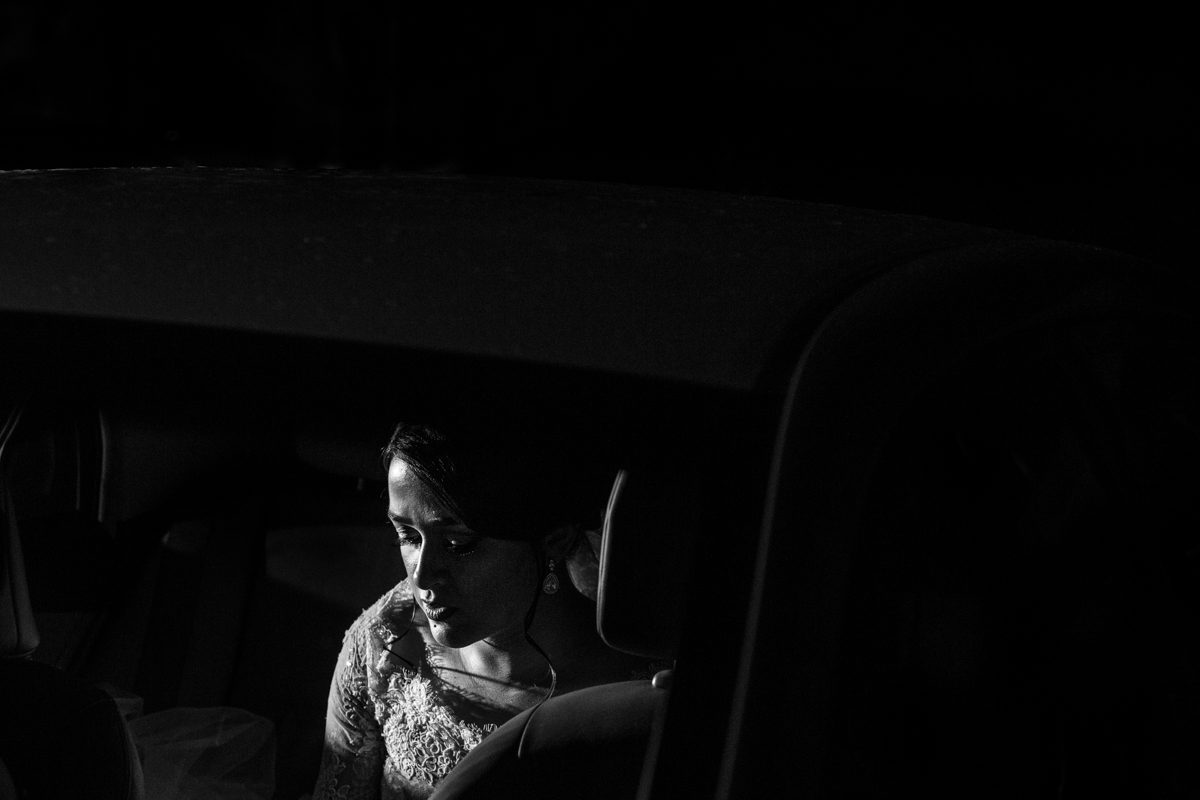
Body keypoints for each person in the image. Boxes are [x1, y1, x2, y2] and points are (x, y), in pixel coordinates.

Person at [312, 423, 653, 800]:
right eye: (407, 536)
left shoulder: (642, 689)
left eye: (458, 543)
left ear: (555, 538)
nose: (422, 576)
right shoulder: (386, 640)